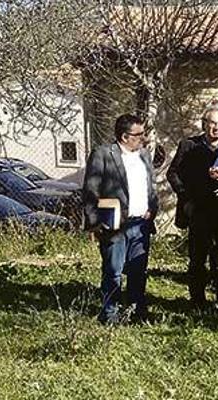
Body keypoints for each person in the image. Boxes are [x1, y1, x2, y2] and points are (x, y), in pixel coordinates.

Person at [82, 113, 159, 324]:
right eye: (139, 134)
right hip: (115, 225)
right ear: (125, 137)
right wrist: (95, 223)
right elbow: (91, 189)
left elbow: (150, 186)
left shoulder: (143, 155)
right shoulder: (103, 154)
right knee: (113, 271)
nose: (143, 138)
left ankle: (135, 312)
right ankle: (110, 315)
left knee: (138, 272)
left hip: (140, 224)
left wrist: (153, 208)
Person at [167, 104, 218, 312]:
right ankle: (198, 301)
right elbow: (172, 173)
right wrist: (185, 198)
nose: (216, 128)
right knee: (198, 258)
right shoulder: (188, 145)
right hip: (199, 209)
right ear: (204, 125)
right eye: (212, 124)